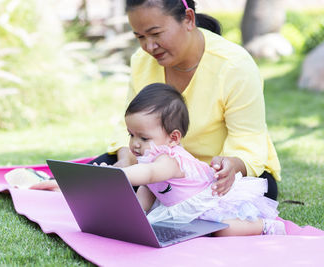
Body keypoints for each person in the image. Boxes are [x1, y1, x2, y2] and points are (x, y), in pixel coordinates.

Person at [94, 0, 282, 200]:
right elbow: (130, 125)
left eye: (156, 34)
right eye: (140, 37)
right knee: (88, 180)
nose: (149, 46)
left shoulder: (235, 66)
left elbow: (248, 141)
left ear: (189, 19)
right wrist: (125, 161)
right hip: (158, 164)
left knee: (227, 204)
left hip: (215, 173)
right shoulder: (142, 60)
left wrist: (232, 165)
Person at [110, 83, 285, 236]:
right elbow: (146, 194)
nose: (135, 144)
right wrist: (133, 217)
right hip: (186, 211)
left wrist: (116, 174)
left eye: (144, 138)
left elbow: (148, 174)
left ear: (173, 138)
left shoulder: (169, 160)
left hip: (208, 205)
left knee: (223, 229)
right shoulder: (148, 160)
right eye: (131, 135)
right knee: (161, 226)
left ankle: (265, 226)